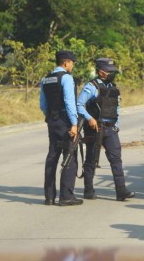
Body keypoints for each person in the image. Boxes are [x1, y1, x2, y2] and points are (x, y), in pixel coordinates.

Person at [76, 57, 135, 202]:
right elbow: (79, 105)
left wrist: (116, 125)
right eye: (109, 71)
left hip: (110, 128)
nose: (112, 74)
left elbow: (117, 108)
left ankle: (121, 191)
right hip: (94, 129)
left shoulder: (113, 87)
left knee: (116, 160)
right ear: (101, 72)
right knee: (91, 160)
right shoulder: (91, 86)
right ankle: (88, 190)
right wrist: (89, 119)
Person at [40, 50, 83, 206]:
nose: (72, 66)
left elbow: (43, 104)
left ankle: (49, 196)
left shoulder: (45, 79)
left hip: (52, 119)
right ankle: (66, 196)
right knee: (70, 156)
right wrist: (74, 123)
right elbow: (69, 102)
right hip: (65, 121)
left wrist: (51, 116)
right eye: (72, 63)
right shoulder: (66, 78)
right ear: (66, 63)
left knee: (52, 156)